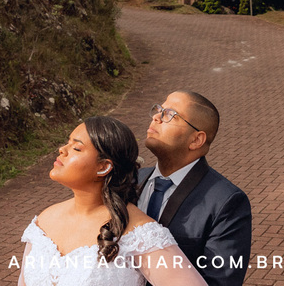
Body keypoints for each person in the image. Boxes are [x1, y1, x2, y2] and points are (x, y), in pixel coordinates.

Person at [18, 115, 207, 286]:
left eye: (76, 148)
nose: (62, 150)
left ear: (103, 167)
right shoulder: (45, 220)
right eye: (67, 143)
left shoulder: (140, 234)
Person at [138, 92, 251, 286]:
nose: (156, 117)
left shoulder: (226, 201)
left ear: (196, 140)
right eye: (158, 110)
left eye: (169, 114)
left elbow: (220, 281)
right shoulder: (131, 180)